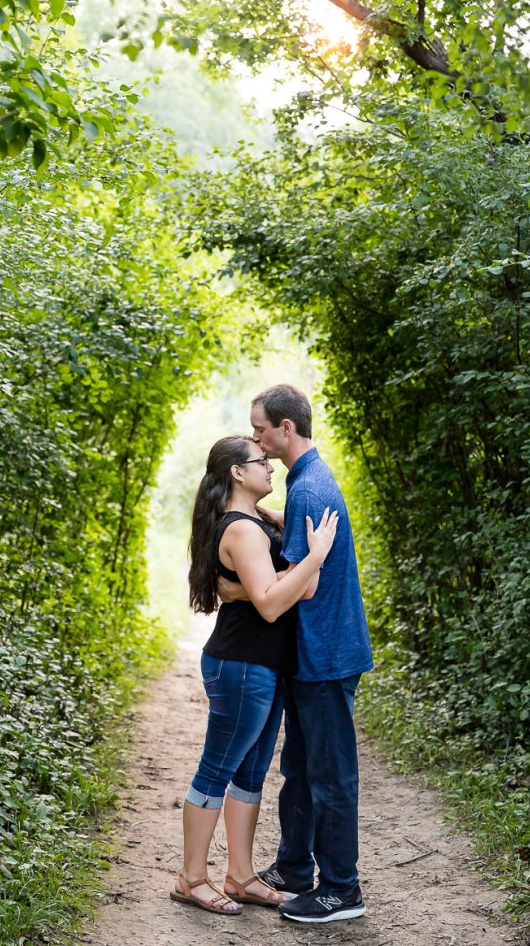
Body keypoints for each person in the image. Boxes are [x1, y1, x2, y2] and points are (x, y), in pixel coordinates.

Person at [170, 435, 338, 916]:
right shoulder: (241, 530)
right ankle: (191, 878)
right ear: (237, 473)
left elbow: (299, 593)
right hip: (240, 665)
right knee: (217, 769)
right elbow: (269, 604)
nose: (269, 466)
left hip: (262, 665)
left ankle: (240, 877)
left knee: (249, 773)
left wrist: (297, 559)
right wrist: (315, 555)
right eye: (259, 461)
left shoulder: (259, 521)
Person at [249, 384, 374, 923]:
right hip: (311, 655)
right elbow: (303, 547)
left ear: (285, 429)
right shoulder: (303, 482)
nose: (254, 437)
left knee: (330, 774)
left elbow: (304, 586)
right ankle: (296, 868)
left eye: (260, 428)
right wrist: (274, 522)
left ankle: (342, 890)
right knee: (299, 767)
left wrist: (243, 588)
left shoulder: (310, 488)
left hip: (327, 657)